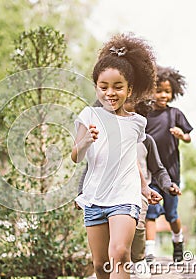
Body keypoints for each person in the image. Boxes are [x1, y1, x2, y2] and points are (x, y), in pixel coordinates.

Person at [71, 33, 156, 279]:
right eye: (103, 86)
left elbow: (131, 159)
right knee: (100, 265)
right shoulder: (88, 116)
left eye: (118, 87)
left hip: (125, 196)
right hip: (96, 197)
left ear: (130, 90)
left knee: (119, 254)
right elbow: (75, 156)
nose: (110, 92)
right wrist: (86, 141)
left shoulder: (137, 123)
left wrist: (144, 188)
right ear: (96, 86)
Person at [76, 97, 181, 279]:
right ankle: (120, 264)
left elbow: (157, 168)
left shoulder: (146, 141)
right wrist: (81, 194)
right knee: (104, 256)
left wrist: (164, 185)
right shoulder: (103, 139)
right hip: (101, 196)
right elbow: (90, 168)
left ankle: (139, 259)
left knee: (137, 226)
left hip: (133, 193)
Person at [144, 65, 193, 263]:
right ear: (150, 91)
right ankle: (149, 252)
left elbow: (189, 136)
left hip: (171, 173)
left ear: (173, 93)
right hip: (151, 173)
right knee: (151, 212)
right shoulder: (145, 115)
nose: (162, 95)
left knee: (172, 215)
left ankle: (178, 240)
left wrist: (182, 135)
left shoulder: (175, 114)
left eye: (167, 91)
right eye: (158, 90)